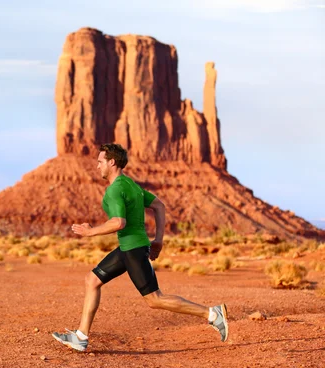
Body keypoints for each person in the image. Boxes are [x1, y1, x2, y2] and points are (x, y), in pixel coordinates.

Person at [52, 143, 229, 352]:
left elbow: (119, 222)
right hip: (129, 248)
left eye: (100, 162)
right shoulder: (131, 185)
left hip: (133, 250)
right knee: (92, 280)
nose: (97, 166)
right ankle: (81, 336)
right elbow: (159, 206)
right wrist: (158, 241)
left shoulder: (115, 188)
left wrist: (90, 232)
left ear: (111, 162)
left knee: (155, 299)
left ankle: (212, 314)